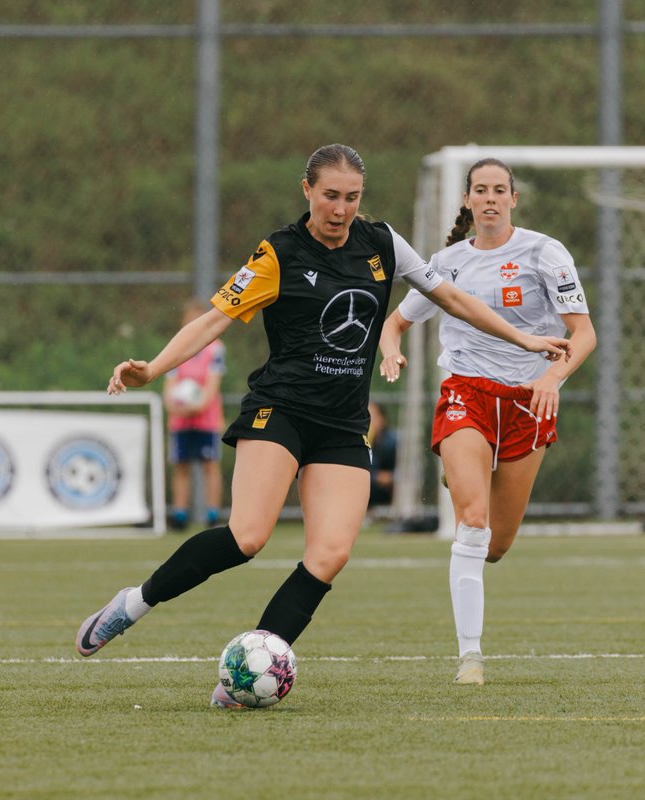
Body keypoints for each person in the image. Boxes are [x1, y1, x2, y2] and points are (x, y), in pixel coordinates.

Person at [75, 144, 570, 708]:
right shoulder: (278, 254)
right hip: (280, 410)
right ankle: (133, 603)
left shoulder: (382, 242)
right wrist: (153, 368)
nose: (341, 209)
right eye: (331, 195)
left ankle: (246, 675)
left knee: (330, 554)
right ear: (307, 190)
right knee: (248, 537)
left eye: (352, 197)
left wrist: (525, 338)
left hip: (342, 424)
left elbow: (451, 297)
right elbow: (215, 318)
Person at [379, 157, 596, 686]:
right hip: (466, 394)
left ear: (514, 200)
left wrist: (550, 381)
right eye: (481, 190)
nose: (491, 198)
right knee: (471, 521)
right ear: (469, 200)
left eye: (501, 190)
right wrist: (390, 350)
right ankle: (470, 657)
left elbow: (583, 333)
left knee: (495, 545)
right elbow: (396, 322)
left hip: (527, 402)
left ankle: (469, 472)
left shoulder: (545, 253)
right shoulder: (447, 263)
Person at [163, 298, 226, 531]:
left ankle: (212, 515)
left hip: (206, 420)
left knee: (210, 465)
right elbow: (169, 389)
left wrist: (198, 405)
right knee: (181, 466)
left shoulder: (216, 349)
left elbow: (212, 386)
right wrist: (174, 405)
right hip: (181, 420)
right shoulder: (176, 348)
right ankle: (179, 515)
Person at [366, 401, 397, 508]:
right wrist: (376, 476)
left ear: (382, 420)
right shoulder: (357, 442)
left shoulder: (391, 442)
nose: (367, 421)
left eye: (371, 416)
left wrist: (391, 477)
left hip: (384, 491)